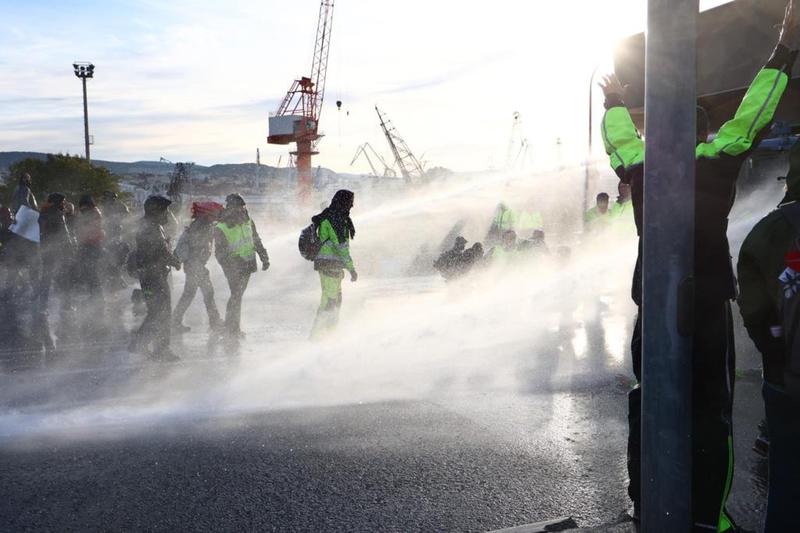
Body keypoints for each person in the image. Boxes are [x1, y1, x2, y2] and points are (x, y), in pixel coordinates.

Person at [599, 3, 799, 529]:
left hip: (653, 305)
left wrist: (614, 101)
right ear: (702, 134)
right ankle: (708, 520)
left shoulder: (641, 168)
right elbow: (753, 115)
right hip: (706, 305)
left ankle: (647, 505)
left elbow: (618, 139)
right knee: (712, 411)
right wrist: (783, 51)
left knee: (647, 402)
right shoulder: (713, 162)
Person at [737, 141, 800, 532]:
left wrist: (775, 349)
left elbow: (753, 307)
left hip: (785, 379)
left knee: (787, 479)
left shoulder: (770, 231)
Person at [131, 195, 181, 361]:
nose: (167, 214)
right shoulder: (151, 228)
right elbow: (161, 251)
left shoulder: (149, 225)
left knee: (155, 312)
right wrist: (175, 261)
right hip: (154, 276)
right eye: (164, 210)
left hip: (150, 276)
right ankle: (161, 350)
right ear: (156, 211)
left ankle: (140, 343)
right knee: (163, 312)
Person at [214, 194, 269, 337]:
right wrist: (232, 264)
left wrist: (264, 257)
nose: (242, 209)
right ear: (231, 208)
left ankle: (232, 327)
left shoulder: (248, 221)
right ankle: (232, 329)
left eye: (243, 207)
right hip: (233, 267)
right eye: (239, 207)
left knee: (237, 296)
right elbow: (219, 253)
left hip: (247, 264)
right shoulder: (221, 227)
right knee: (236, 295)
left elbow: (256, 240)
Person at [310, 190, 357, 337]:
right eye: (350, 202)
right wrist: (351, 269)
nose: (352, 205)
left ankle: (330, 335)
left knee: (336, 301)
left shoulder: (338, 217)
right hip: (328, 265)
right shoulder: (335, 220)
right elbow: (341, 247)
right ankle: (316, 337)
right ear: (344, 202)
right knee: (329, 302)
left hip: (332, 266)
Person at [172, 201, 224, 333]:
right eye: (215, 213)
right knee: (208, 293)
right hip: (195, 265)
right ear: (208, 214)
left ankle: (175, 321)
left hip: (194, 265)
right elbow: (198, 246)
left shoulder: (201, 224)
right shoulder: (201, 226)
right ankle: (215, 323)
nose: (217, 216)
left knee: (189, 294)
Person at [37, 193, 76, 356]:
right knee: (63, 279)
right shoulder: (58, 214)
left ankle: (41, 304)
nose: (64, 204)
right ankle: (66, 304)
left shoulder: (43, 213)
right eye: (63, 202)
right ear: (57, 202)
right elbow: (64, 234)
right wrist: (71, 249)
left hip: (46, 250)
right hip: (58, 251)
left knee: (46, 278)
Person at [74, 195, 105, 298]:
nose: (82, 208)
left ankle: (97, 295)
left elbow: (91, 228)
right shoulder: (89, 213)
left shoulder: (93, 213)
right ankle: (95, 294)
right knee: (89, 271)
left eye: (83, 206)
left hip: (92, 245)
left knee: (91, 271)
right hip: (87, 244)